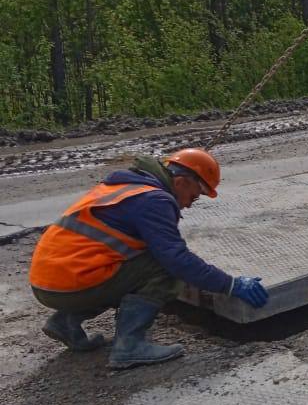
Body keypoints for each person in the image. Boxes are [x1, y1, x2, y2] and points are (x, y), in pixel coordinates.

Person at [28, 148, 269, 369]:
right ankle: (129, 347)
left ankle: (66, 322)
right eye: (193, 197)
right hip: (70, 283)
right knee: (164, 269)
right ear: (181, 182)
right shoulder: (154, 200)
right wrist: (231, 285)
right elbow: (176, 260)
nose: (188, 205)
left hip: (50, 282)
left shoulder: (128, 186)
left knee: (122, 267)